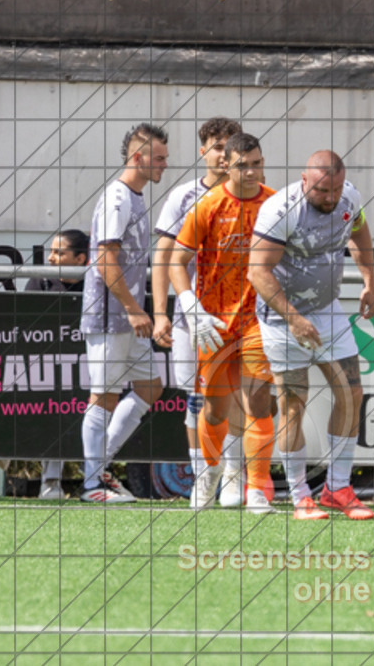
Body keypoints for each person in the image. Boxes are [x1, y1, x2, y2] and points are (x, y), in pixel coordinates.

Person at [248, 150, 374, 521]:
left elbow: (358, 231)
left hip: (327, 310)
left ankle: (338, 489)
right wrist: (293, 319)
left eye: (335, 189)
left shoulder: (348, 197)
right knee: (294, 404)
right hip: (281, 317)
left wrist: (369, 280)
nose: (330, 197)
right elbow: (258, 271)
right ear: (304, 180)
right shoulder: (280, 210)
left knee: (351, 393)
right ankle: (300, 496)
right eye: (322, 190)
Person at [170, 132, 277, 515]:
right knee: (215, 410)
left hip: (259, 321)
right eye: (242, 165)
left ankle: (257, 490)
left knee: (258, 402)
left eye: (257, 164)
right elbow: (176, 260)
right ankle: (209, 473)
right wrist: (190, 305)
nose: (251, 171)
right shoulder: (208, 205)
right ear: (225, 165)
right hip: (213, 323)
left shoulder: (275, 204)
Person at [152, 117, 245, 508]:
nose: (224, 154)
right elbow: (163, 257)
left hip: (238, 316)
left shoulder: (251, 194)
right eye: (217, 146)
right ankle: (203, 477)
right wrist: (161, 312)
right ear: (203, 150)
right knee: (196, 398)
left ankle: (235, 477)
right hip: (192, 319)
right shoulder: (184, 196)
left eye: (230, 146)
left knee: (236, 396)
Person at [79, 123, 167, 503]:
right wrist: (133, 309)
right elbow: (104, 260)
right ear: (137, 157)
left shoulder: (135, 196)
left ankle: (99, 468)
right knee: (103, 397)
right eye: (159, 158)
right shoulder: (118, 197)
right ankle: (92, 485)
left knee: (151, 388)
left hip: (126, 317)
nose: (165, 164)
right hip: (110, 316)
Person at [26, 229, 89, 500]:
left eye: (59, 253)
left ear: (80, 258)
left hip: (89, 365)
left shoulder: (97, 283)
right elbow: (25, 324)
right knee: (54, 408)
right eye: (51, 252)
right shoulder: (40, 281)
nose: (51, 258)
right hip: (49, 367)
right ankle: (50, 483)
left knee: (98, 414)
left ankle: (96, 478)